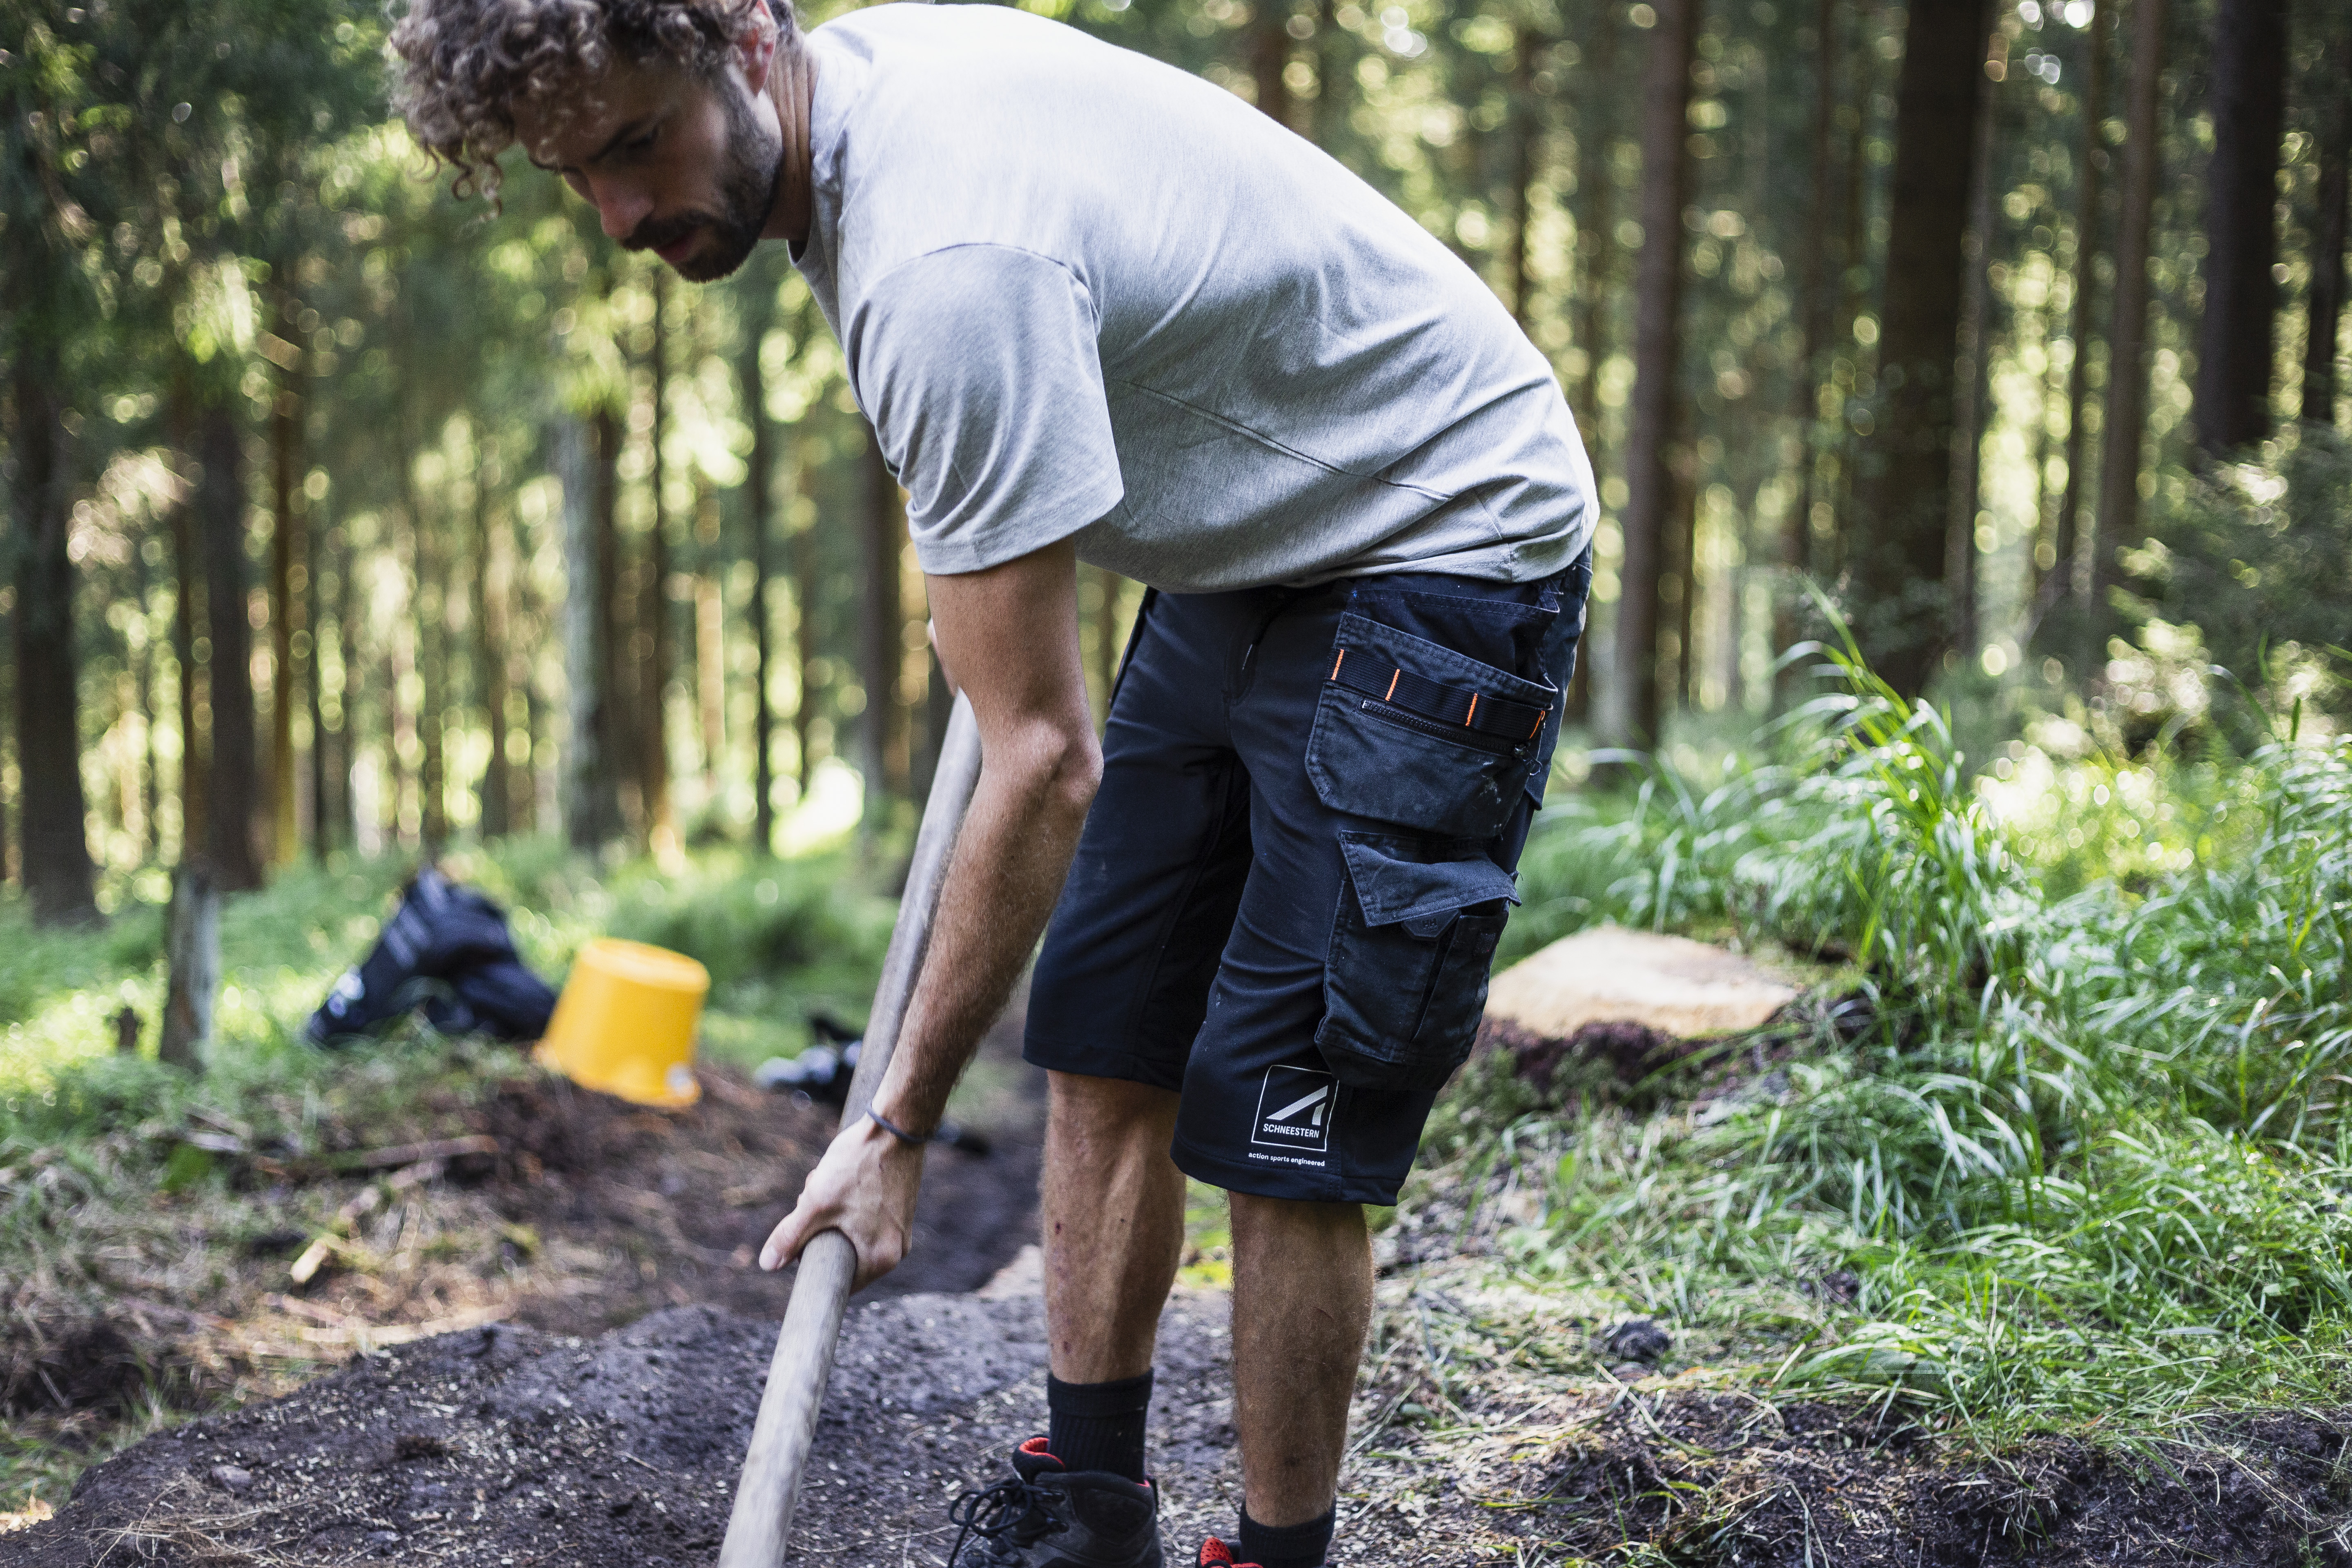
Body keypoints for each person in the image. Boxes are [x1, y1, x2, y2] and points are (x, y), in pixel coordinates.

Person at [394, 2, 1596, 1562]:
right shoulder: (857, 110)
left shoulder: (941, 268)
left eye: (637, 144)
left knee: (1280, 1110)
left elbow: (1040, 759)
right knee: (1103, 1032)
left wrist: (889, 1128)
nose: (622, 216)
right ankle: (1090, 1507)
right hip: (1256, 530)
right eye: (578, 176)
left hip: (1440, 517)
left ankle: (1277, 1553)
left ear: (746, 45)